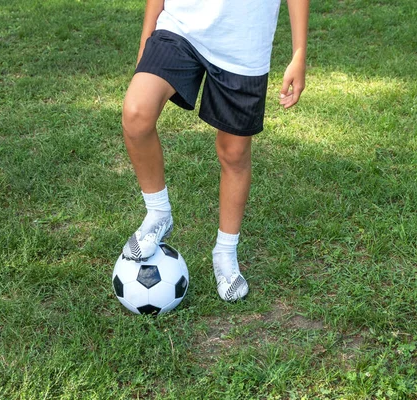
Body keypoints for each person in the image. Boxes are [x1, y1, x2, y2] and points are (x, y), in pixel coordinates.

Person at [121, 0, 309, 301]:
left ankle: (225, 252)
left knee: (233, 153)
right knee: (136, 113)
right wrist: (148, 34)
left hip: (244, 40)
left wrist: (299, 53)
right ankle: (158, 213)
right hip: (181, 25)